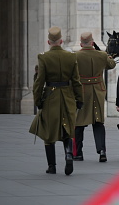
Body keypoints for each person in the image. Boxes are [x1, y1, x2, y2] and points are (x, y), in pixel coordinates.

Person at [29, 26, 83, 175]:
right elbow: (76, 81)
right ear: (61, 41)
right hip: (67, 96)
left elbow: (39, 82)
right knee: (67, 129)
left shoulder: (43, 57)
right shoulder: (71, 57)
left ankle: (52, 166)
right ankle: (68, 154)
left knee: (49, 132)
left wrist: (38, 100)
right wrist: (80, 99)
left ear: (48, 41)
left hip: (50, 97)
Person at [73, 32, 116, 162]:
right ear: (92, 42)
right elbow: (111, 64)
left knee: (79, 123)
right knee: (98, 122)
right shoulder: (101, 55)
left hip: (82, 91)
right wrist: (104, 54)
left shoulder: (75, 56)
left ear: (81, 43)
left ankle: (78, 153)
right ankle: (102, 151)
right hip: (98, 91)